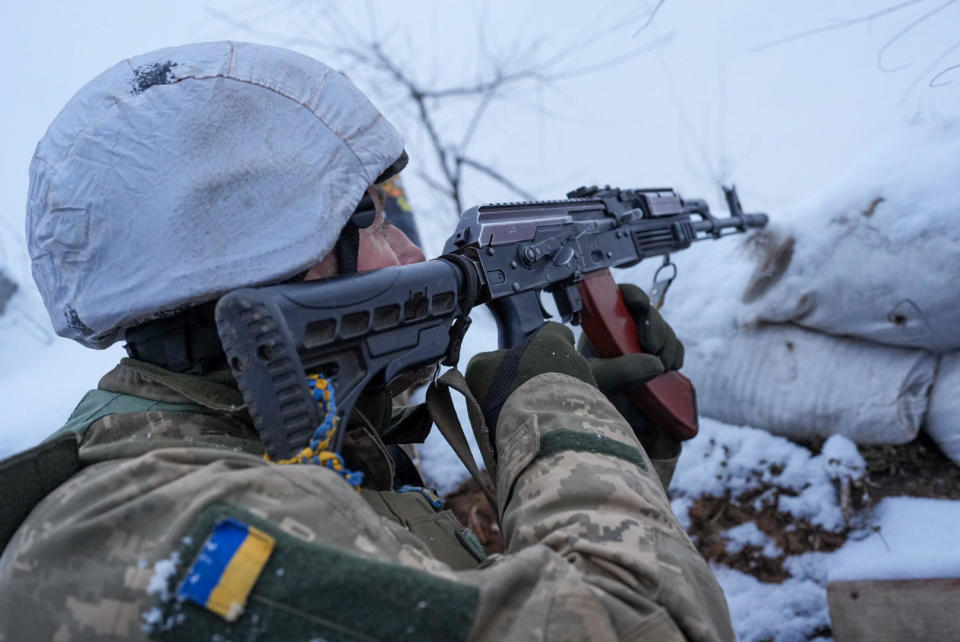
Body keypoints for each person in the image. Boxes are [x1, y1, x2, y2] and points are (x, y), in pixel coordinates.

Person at [0, 42, 734, 641]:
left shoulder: (290, 444)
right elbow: (646, 625)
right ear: (262, 251)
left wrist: (610, 438)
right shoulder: (159, 531)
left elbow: (495, 603)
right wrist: (557, 414)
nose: (415, 256)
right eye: (374, 219)